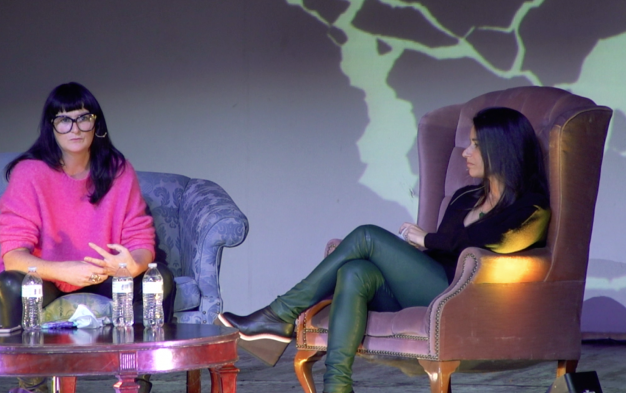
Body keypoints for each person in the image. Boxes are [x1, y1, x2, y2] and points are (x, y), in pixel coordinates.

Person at [217, 107, 551, 393]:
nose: (466, 152)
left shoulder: (531, 208)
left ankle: (279, 315)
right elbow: (446, 247)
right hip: (428, 285)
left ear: (501, 149)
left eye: (477, 145)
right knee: (355, 271)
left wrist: (428, 240)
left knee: (367, 236)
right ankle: (337, 386)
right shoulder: (465, 197)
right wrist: (427, 248)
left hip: (461, 295)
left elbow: (501, 241)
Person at [0, 82, 175, 393]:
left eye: (84, 118)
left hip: (107, 274)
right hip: (45, 276)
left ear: (96, 124)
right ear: (52, 128)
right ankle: (31, 385)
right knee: (10, 283)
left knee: (161, 277)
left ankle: (134, 382)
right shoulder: (30, 172)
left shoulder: (118, 169)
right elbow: (13, 256)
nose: (75, 128)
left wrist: (132, 265)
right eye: (64, 120)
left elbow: (141, 240)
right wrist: (65, 270)